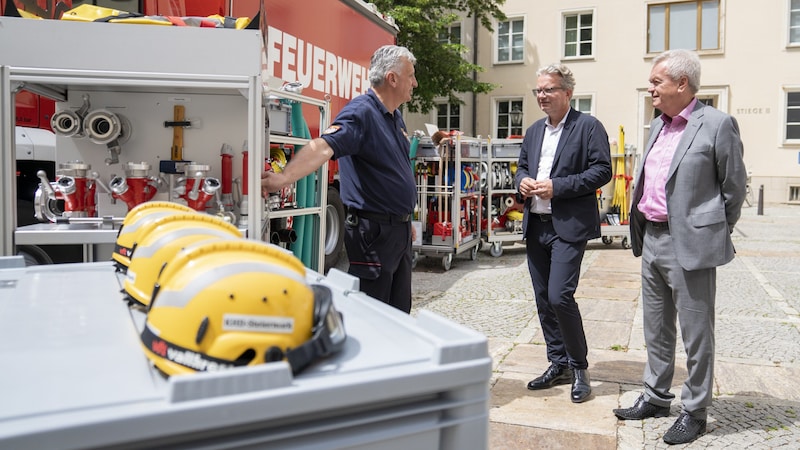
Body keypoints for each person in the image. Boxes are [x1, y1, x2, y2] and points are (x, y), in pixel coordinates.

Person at [612, 49, 747, 445]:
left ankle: (695, 410)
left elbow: (734, 189)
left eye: (657, 81)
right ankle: (656, 396)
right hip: (651, 238)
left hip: (690, 244)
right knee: (655, 327)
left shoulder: (718, 125)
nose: (651, 88)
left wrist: (709, 231)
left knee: (696, 332)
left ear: (682, 84)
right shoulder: (658, 125)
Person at [260, 45, 418, 313]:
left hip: (398, 232)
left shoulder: (395, 117)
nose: (415, 83)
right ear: (392, 78)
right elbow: (323, 146)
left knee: (400, 312)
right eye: (411, 75)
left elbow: (396, 169)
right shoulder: (361, 113)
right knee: (374, 314)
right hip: (375, 233)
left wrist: (405, 220)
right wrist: (283, 177)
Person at [515, 64, 612, 403]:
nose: (542, 96)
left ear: (567, 93)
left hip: (568, 227)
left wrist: (558, 186)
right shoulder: (533, 132)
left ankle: (579, 366)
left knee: (560, 296)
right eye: (538, 90)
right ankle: (557, 363)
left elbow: (602, 170)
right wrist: (522, 182)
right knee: (543, 299)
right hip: (536, 224)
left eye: (548, 90)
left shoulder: (588, 127)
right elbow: (523, 167)